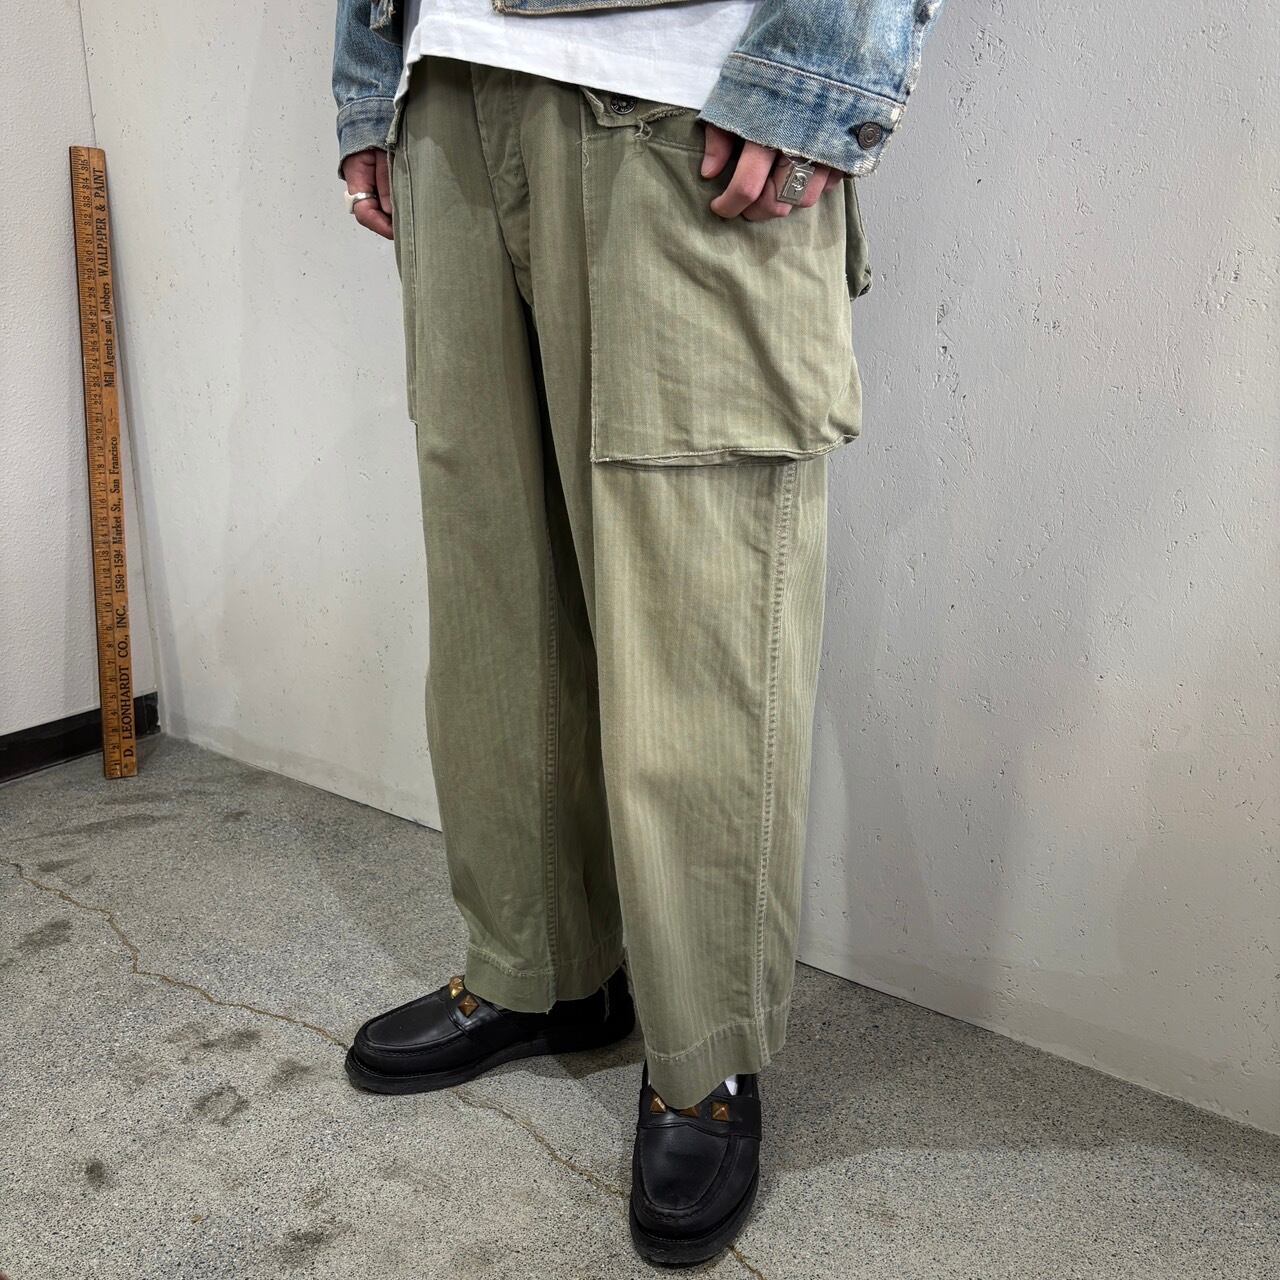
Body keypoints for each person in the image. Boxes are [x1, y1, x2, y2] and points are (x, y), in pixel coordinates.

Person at [332, 0, 944, 1265]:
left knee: (697, 616)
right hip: (449, 94)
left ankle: (701, 1053)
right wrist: (368, 80)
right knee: (493, 590)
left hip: (683, 97)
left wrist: (820, 64)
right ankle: (542, 967)